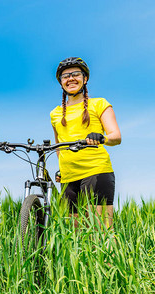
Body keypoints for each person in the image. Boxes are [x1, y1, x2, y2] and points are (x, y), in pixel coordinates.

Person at [50, 57, 121, 228]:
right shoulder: (55, 114)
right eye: (65, 76)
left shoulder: (99, 104)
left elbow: (116, 136)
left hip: (96, 171)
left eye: (75, 74)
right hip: (68, 177)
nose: (71, 78)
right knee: (73, 235)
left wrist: (101, 138)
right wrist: (61, 168)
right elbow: (59, 145)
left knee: (100, 232)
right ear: (61, 82)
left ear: (85, 78)